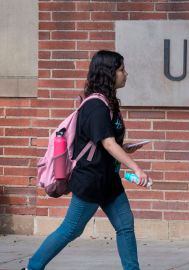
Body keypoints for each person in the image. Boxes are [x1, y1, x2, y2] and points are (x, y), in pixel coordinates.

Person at [25, 50, 151, 270]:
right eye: (121, 70)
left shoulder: (109, 104)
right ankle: (32, 267)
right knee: (71, 229)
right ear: (109, 73)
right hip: (90, 181)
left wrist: (126, 148)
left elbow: (106, 142)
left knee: (125, 225)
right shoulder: (96, 106)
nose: (126, 74)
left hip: (108, 180)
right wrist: (137, 169)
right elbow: (107, 143)